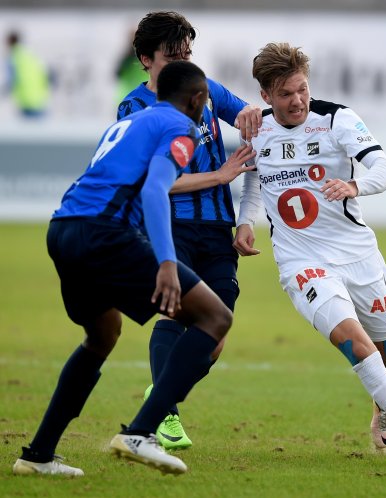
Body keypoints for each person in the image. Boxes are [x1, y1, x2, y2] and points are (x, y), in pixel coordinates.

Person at [234, 42, 386, 471]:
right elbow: (253, 183)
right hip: (302, 263)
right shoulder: (256, 129)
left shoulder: (337, 118)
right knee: (358, 347)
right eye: (285, 93)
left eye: (301, 89)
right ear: (266, 96)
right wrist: (246, 222)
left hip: (358, 256)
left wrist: (355, 186)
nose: (297, 100)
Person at [13, 60, 227, 477]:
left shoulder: (128, 123)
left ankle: (37, 455)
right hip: (106, 233)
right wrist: (167, 260)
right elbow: (154, 189)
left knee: (102, 334)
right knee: (215, 317)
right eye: (206, 100)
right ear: (198, 98)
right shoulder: (181, 128)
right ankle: (142, 432)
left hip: (63, 228)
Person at [117, 11, 259, 451]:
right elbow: (148, 182)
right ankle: (164, 415)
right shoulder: (134, 107)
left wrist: (255, 115)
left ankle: (158, 398)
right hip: (170, 223)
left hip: (217, 227)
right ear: (145, 59)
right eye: (170, 56)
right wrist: (219, 175)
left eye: (187, 53)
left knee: (216, 332)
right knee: (177, 312)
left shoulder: (207, 90)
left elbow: (248, 114)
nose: (182, 63)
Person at [5, 30, 51, 118]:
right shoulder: (30, 54)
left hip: (26, 101)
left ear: (9, 42)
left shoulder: (13, 58)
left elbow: (11, 81)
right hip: (41, 99)